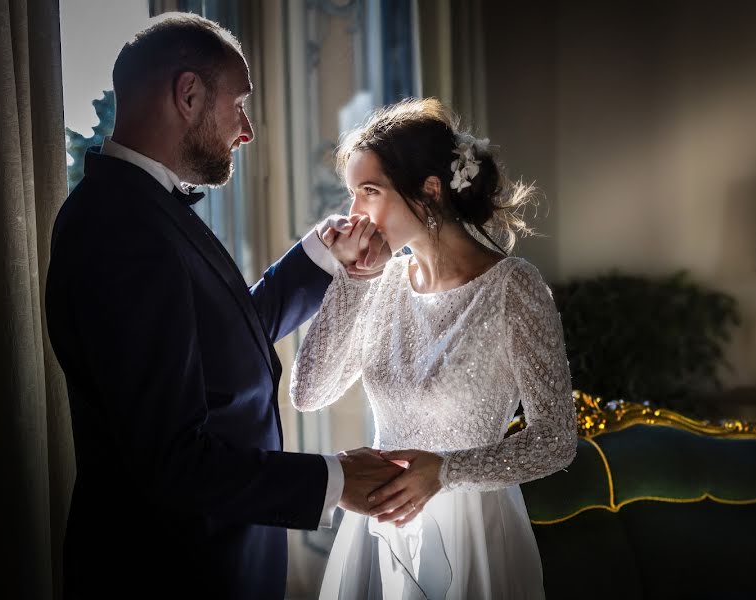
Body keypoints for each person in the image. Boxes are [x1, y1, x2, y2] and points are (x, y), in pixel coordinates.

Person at [45, 13, 402, 600]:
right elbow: (170, 459)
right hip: (170, 571)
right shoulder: (122, 229)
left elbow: (217, 345)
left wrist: (320, 259)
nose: (247, 130)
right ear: (188, 95)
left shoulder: (139, 207)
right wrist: (335, 479)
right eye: (239, 104)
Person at [290, 98, 578, 599]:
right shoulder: (380, 282)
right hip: (379, 530)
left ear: (429, 191)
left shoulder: (514, 289)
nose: (355, 212)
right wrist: (355, 280)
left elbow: (556, 439)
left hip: (474, 532)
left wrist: (447, 471)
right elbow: (308, 392)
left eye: (370, 191)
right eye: (352, 194)